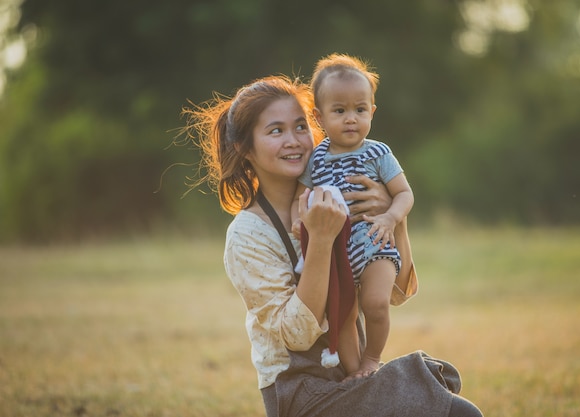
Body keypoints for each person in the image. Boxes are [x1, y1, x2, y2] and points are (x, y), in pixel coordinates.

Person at [181, 74, 483, 417]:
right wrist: (321, 239)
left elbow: (398, 292)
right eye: (276, 131)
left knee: (450, 397)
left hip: (353, 373)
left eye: (300, 126)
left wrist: (392, 216)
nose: (294, 141)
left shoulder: (342, 194)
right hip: (302, 391)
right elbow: (295, 335)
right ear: (244, 148)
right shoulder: (247, 235)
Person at [290, 53, 415, 380]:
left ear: (372, 111)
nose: (351, 119)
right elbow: (299, 198)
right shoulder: (316, 160)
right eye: (340, 110)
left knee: (374, 304)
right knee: (342, 316)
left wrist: (390, 217)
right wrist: (297, 221)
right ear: (319, 117)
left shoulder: (378, 152)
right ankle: (354, 373)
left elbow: (405, 194)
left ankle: (372, 359)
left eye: (360, 110)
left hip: (376, 243)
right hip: (338, 253)